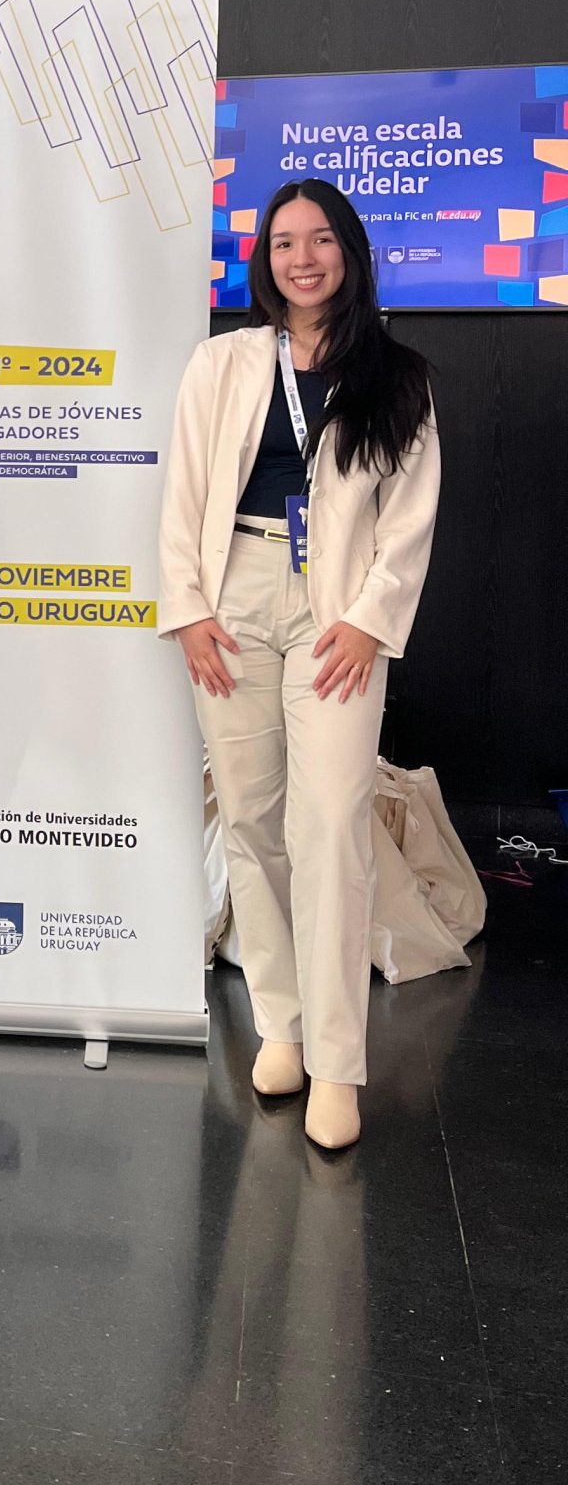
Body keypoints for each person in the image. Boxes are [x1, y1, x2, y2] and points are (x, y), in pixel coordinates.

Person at [159, 178, 438, 1152]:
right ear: (264, 260)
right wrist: (188, 608)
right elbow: (182, 486)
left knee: (331, 825)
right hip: (231, 590)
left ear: (350, 253)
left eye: (321, 240)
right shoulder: (223, 361)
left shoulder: (396, 374)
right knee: (250, 816)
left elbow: (410, 514)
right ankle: (279, 1026)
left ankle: (338, 1063)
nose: (302, 258)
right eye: (284, 243)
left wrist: (371, 620)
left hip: (338, 611)